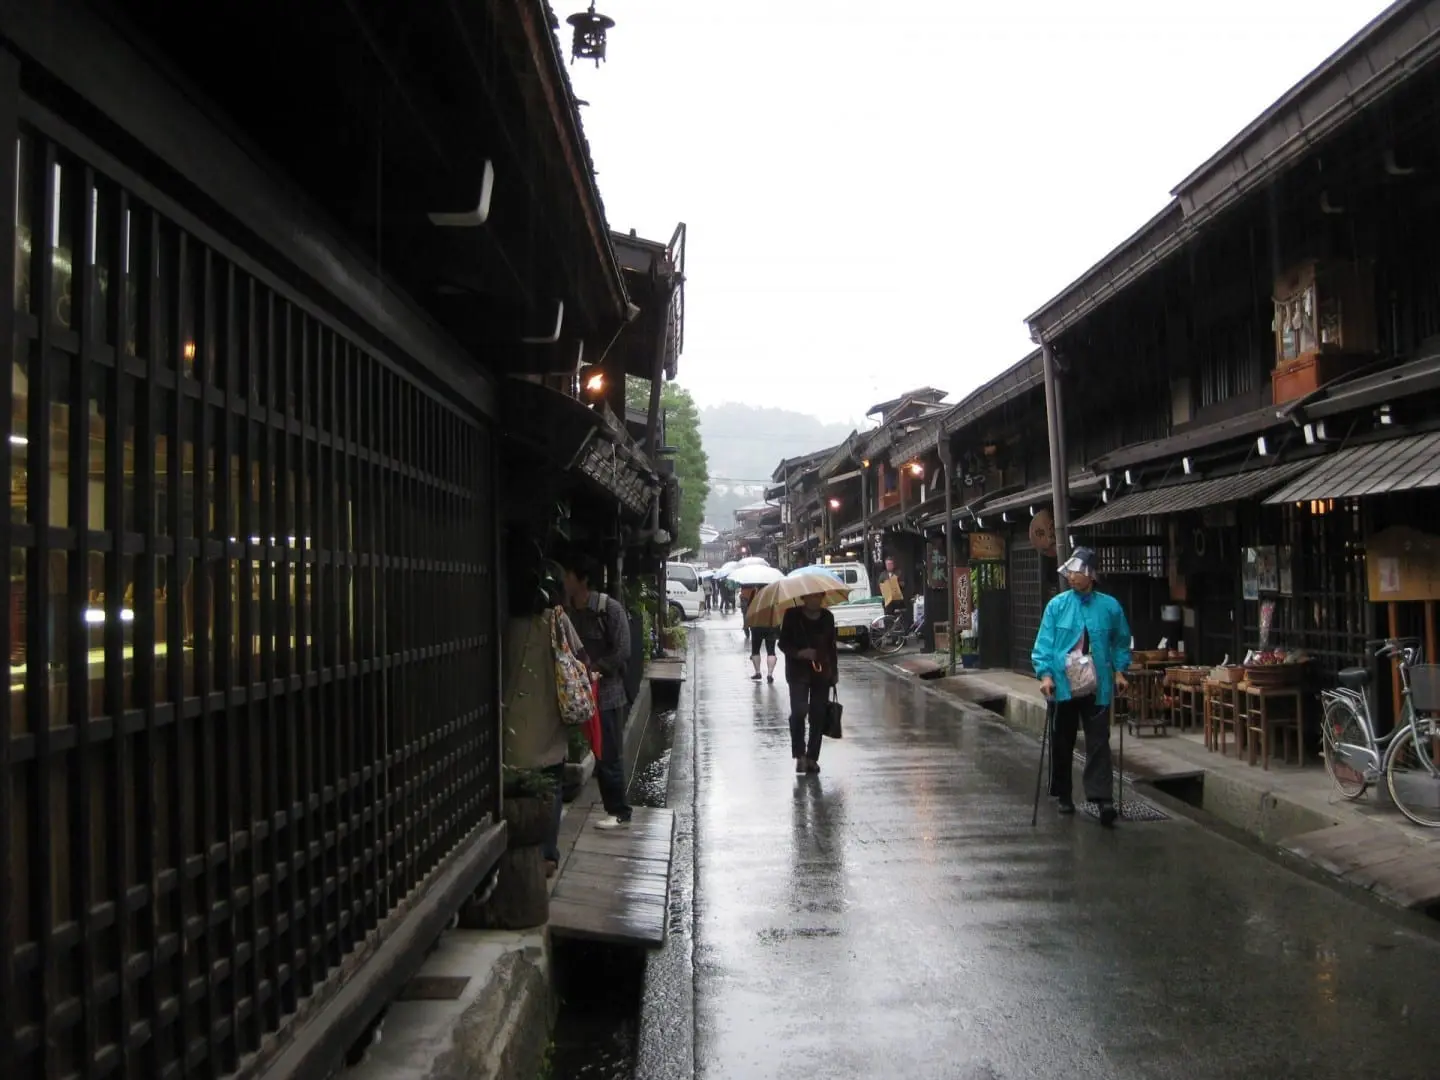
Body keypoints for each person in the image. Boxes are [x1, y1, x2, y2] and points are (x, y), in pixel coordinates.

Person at [1031, 546, 1131, 826]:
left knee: (1099, 741)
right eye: (1070, 572)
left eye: (1077, 572)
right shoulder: (1058, 606)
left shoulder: (1110, 606)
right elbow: (1044, 644)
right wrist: (1045, 675)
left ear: (1090, 575)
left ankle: (1102, 799)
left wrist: (1120, 671)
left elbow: (1121, 641)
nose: (1072, 577)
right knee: (1062, 740)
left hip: (1097, 684)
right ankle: (1064, 793)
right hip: (1063, 684)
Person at [502, 562, 585, 876]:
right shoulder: (556, 621)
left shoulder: (503, 622)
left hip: (512, 717)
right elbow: (579, 658)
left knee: (518, 785)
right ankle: (547, 855)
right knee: (551, 784)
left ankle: (514, 849)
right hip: (549, 715)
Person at [563, 554, 633, 830]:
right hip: (583, 695)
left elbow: (623, 650)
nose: (565, 581)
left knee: (609, 753)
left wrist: (598, 670)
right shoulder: (570, 613)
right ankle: (613, 808)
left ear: (582, 580)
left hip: (608, 694)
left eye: (569, 575)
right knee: (598, 750)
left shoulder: (609, 609)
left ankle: (618, 811)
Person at [779, 593, 838, 774]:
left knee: (818, 714)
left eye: (819, 597)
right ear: (804, 598)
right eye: (812, 597)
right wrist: (800, 653)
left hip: (821, 672)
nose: (816, 600)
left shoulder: (828, 617)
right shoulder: (791, 615)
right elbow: (783, 643)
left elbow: (831, 646)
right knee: (798, 711)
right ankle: (799, 755)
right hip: (798, 673)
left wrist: (834, 672)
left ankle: (812, 758)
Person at [748, 607, 778, 683]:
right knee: (771, 651)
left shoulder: (757, 599)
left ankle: (758, 672)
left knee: (755, 650)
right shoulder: (775, 598)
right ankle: (770, 674)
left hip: (757, 624)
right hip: (771, 625)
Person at [878, 555, 906, 622]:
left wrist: (896, 582)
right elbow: (879, 585)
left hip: (897, 599)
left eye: (890, 564)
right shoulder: (883, 574)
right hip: (888, 600)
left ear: (893, 564)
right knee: (888, 615)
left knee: (899, 616)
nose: (889, 566)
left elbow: (904, 584)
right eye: (887, 564)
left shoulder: (898, 573)